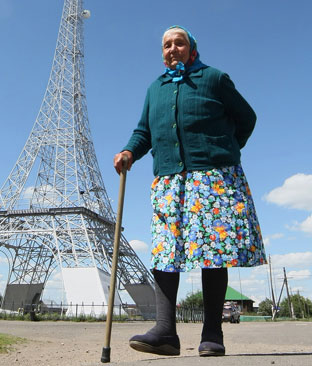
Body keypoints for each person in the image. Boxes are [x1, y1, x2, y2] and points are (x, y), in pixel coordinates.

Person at [113, 25, 266, 357]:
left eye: (178, 43)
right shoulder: (155, 89)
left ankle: (212, 333)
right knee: (167, 252)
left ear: (191, 47)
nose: (172, 48)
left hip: (214, 179)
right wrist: (128, 152)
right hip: (169, 181)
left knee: (214, 252)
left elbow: (247, 118)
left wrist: (225, 150)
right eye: (166, 45)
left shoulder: (213, 78)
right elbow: (144, 132)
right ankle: (166, 332)